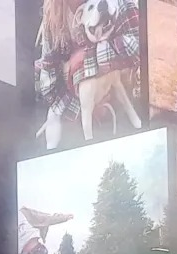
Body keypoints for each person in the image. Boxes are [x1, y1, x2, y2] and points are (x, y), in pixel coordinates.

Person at [36, 0, 141, 148]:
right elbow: (48, 83)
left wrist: (86, 59)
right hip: (77, 112)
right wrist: (85, 105)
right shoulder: (53, 14)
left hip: (123, 112)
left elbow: (140, 44)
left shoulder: (117, 2)